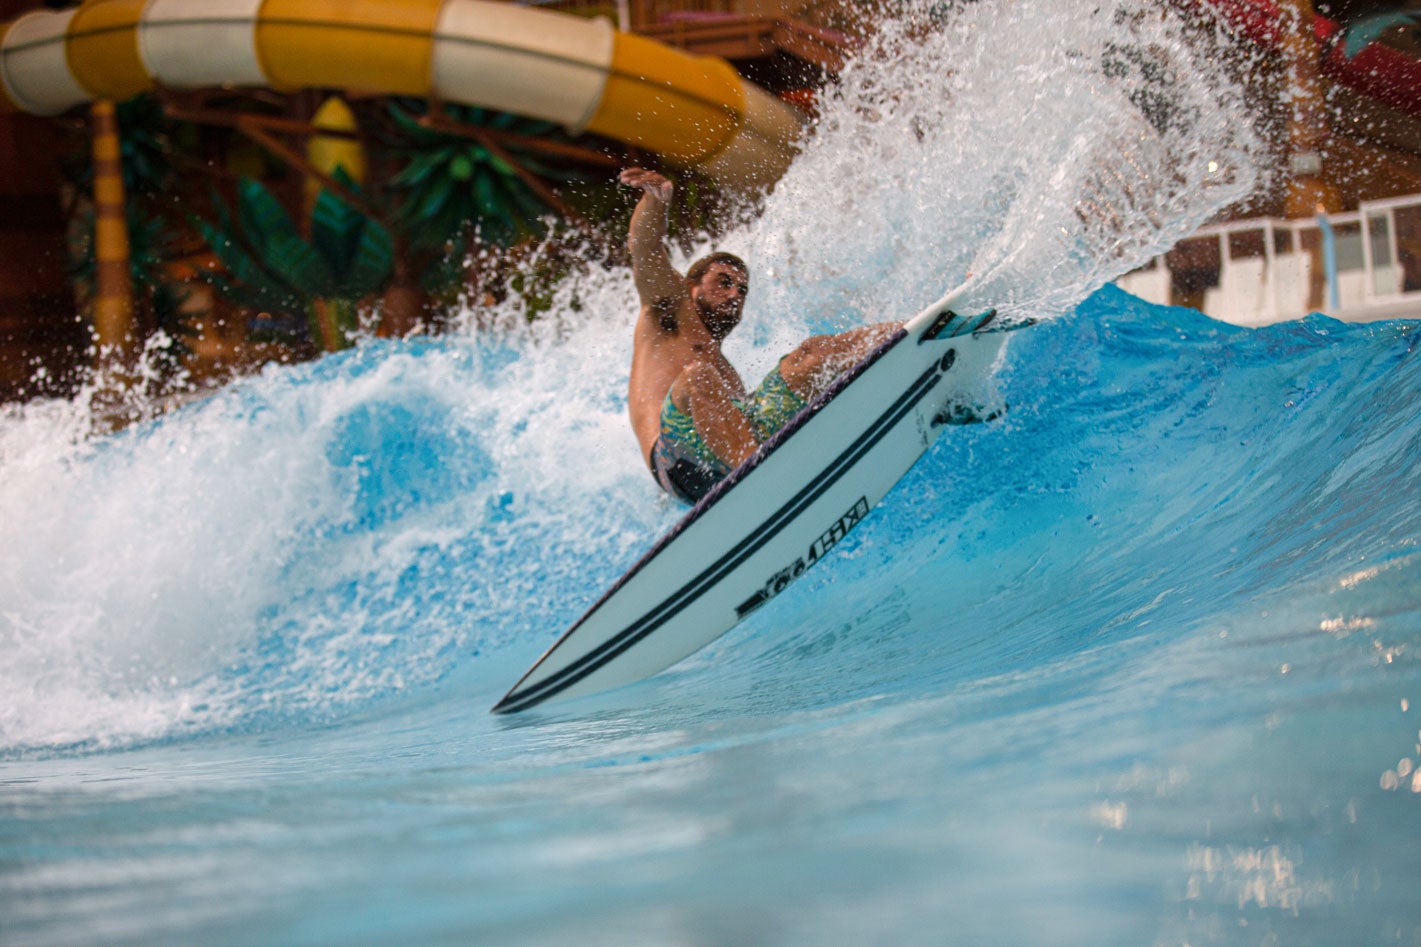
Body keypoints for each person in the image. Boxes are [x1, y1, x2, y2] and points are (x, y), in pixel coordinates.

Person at [621, 167, 898, 504]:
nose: (735, 293)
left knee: (810, 355)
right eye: (724, 282)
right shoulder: (668, 311)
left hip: (735, 456)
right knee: (698, 378)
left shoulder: (724, 372)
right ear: (691, 286)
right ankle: (762, 481)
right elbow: (644, 246)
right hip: (678, 463)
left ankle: (923, 327)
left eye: (742, 289)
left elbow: (735, 421)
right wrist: (657, 200)